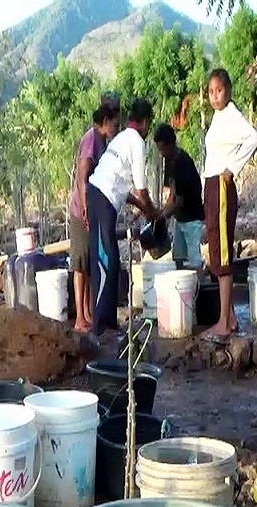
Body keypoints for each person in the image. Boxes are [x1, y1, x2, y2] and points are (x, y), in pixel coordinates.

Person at [87, 98, 161, 335]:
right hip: (101, 198)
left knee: (111, 257)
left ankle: (108, 321)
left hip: (101, 196)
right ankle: (101, 325)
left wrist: (141, 205)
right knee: (105, 258)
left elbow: (122, 187)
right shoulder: (137, 143)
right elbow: (141, 188)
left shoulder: (122, 138)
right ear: (145, 122)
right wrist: (153, 213)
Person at [202, 68, 257, 339]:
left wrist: (232, 168)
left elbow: (253, 138)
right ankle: (232, 317)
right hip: (212, 186)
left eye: (219, 90)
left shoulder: (232, 115)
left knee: (223, 253)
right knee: (216, 248)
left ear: (228, 90)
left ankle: (224, 322)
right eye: (211, 92)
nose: (215, 96)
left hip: (221, 187)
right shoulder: (218, 117)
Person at [69, 102, 120, 332]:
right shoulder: (91, 139)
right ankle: (80, 316)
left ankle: (88, 313)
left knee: (90, 262)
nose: (116, 129)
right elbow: (82, 176)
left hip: (92, 207)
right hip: (82, 209)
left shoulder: (102, 141)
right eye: (114, 125)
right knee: (80, 263)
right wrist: (85, 208)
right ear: (106, 122)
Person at [153, 123, 204, 271]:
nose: (161, 153)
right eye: (159, 149)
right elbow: (172, 192)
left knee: (194, 260)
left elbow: (179, 200)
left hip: (192, 217)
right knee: (178, 257)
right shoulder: (169, 161)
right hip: (180, 218)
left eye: (163, 148)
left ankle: (198, 282)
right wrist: (162, 212)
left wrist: (163, 216)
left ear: (171, 144)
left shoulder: (183, 163)